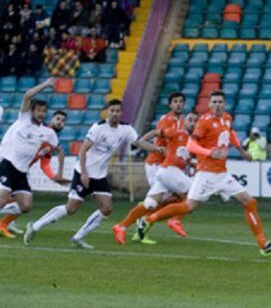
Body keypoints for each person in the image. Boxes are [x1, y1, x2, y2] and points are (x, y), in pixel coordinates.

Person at [136, 91, 271, 256]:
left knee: (249, 202)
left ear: (224, 103)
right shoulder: (204, 122)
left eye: (220, 102)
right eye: (214, 102)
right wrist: (209, 153)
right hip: (206, 173)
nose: (217, 105)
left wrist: (241, 150)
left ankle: (263, 244)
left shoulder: (227, 118)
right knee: (188, 207)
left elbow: (230, 133)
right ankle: (148, 220)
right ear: (210, 104)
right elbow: (191, 145)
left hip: (222, 174)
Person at [25, 99, 155, 249]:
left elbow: (139, 142)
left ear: (121, 112)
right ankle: (35, 226)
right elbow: (82, 150)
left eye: (117, 111)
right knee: (71, 208)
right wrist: (84, 174)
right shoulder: (98, 128)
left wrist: (156, 149)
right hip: (83, 171)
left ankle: (78, 237)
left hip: (99, 176)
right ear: (108, 111)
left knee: (107, 208)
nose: (114, 113)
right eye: (112, 110)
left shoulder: (126, 129)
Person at [112, 93, 192, 244]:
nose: (178, 104)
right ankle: (170, 220)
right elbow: (161, 137)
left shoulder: (181, 121)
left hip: (167, 166)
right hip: (157, 164)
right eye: (175, 101)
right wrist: (148, 144)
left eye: (181, 101)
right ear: (170, 105)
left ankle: (127, 228)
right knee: (185, 196)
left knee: (153, 203)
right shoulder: (167, 120)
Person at [0, 79, 68, 237]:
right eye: (38, 111)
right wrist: (45, 84)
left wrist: (58, 173)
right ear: (31, 111)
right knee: (2, 200)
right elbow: (27, 95)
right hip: (7, 165)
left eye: (44, 112)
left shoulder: (48, 133)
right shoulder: (23, 119)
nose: (41, 114)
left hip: (22, 172)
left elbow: (60, 151)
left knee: (26, 206)